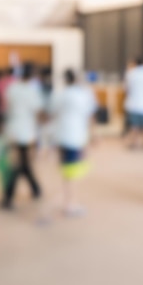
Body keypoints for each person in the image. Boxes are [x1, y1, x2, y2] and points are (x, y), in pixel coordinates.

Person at [50, 69, 98, 217]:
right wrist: (94, 134)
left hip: (62, 135)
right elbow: (90, 116)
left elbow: (53, 113)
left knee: (68, 170)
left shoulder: (60, 94)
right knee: (72, 172)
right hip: (76, 136)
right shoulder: (84, 94)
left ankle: (69, 201)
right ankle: (70, 204)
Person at [1, 62, 45, 209]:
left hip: (13, 130)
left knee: (22, 162)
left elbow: (6, 106)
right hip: (26, 131)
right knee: (21, 164)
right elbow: (38, 111)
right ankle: (12, 195)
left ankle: (34, 189)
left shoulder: (12, 89)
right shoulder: (32, 91)